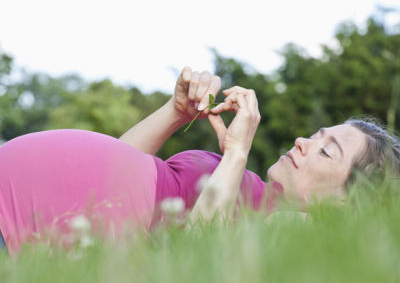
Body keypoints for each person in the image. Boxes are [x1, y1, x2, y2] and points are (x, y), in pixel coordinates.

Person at [0, 67, 399, 254]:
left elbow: (188, 253)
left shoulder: (290, 234)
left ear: (352, 201)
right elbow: (117, 167)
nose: (302, 142)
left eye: (326, 150)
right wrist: (176, 113)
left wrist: (237, 155)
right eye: (315, 135)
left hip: (14, 231)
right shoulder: (249, 186)